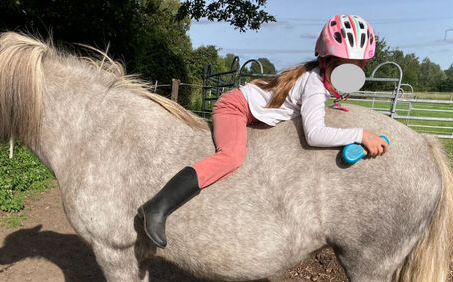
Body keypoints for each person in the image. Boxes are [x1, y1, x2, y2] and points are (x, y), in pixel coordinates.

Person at [139, 14, 389, 248]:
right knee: (231, 156)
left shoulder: (316, 78)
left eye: (354, 68)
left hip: (250, 110)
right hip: (235, 108)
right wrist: (361, 135)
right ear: (325, 61)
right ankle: (157, 207)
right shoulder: (313, 84)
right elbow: (314, 134)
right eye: (343, 67)